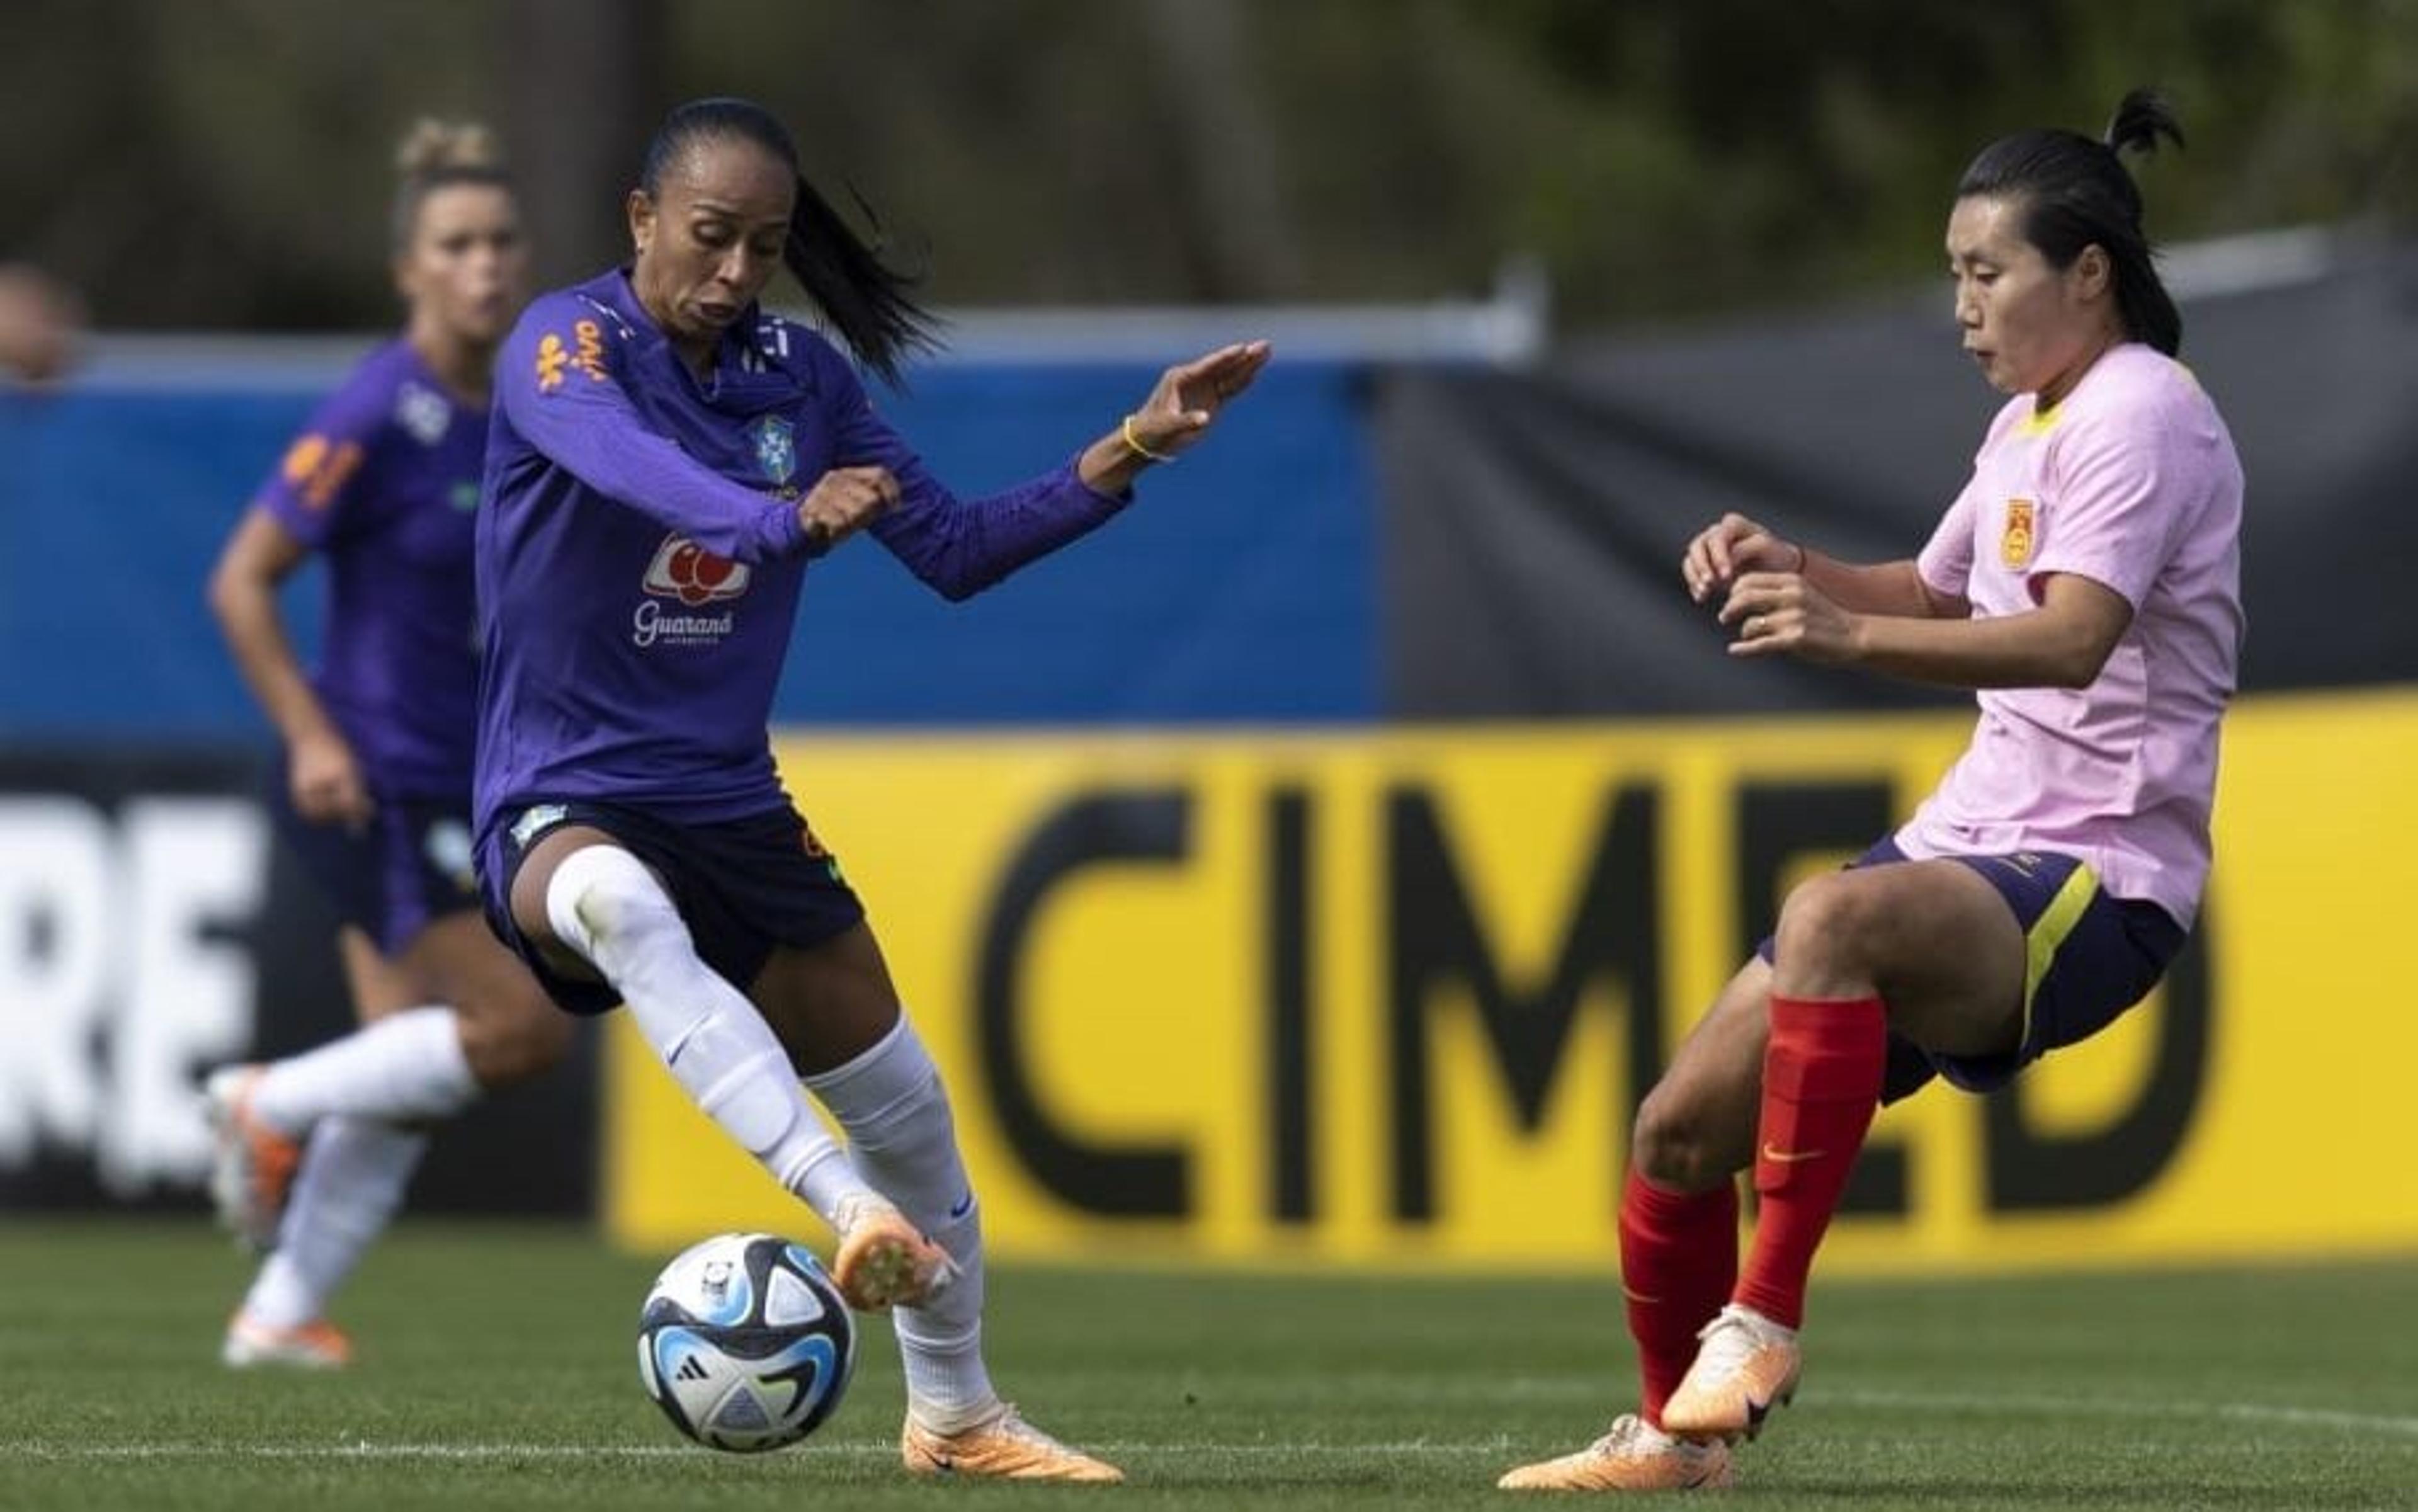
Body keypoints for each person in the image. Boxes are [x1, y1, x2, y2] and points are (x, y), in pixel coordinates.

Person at [474, 96, 1268, 1483]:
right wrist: (777, 520)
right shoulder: (564, 343)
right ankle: (838, 1206)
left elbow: (954, 547)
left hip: (727, 800)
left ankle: (957, 1419)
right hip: (562, 791)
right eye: (711, 238)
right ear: (641, 218)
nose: (733, 274)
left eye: (764, 249)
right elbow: (635, 469)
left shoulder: (804, 380)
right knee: (614, 902)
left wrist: (1132, 446)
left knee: (908, 1100)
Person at [1499, 89, 2240, 1493]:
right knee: (1674, 1131)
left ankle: (1763, 1322)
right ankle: (1672, 1439)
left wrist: (1845, 639)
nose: (1962, 305)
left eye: (1987, 272)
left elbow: (2076, 636)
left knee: (1830, 920)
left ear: (2088, 273)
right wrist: (1796, 563)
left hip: (2099, 876)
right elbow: (1935, 585)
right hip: (1978, 837)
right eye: (1954, 274)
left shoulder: (2142, 413)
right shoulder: (2037, 412)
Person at [203, 121, 568, 1369]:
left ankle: (279, 1310)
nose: (485, 266)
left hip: (464, 776)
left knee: (408, 1066)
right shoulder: (377, 408)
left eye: (501, 242)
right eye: (455, 245)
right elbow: (242, 581)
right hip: (373, 775)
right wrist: (308, 735)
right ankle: (266, 1101)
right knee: (525, 1026)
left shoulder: (532, 411)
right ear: (409, 269)